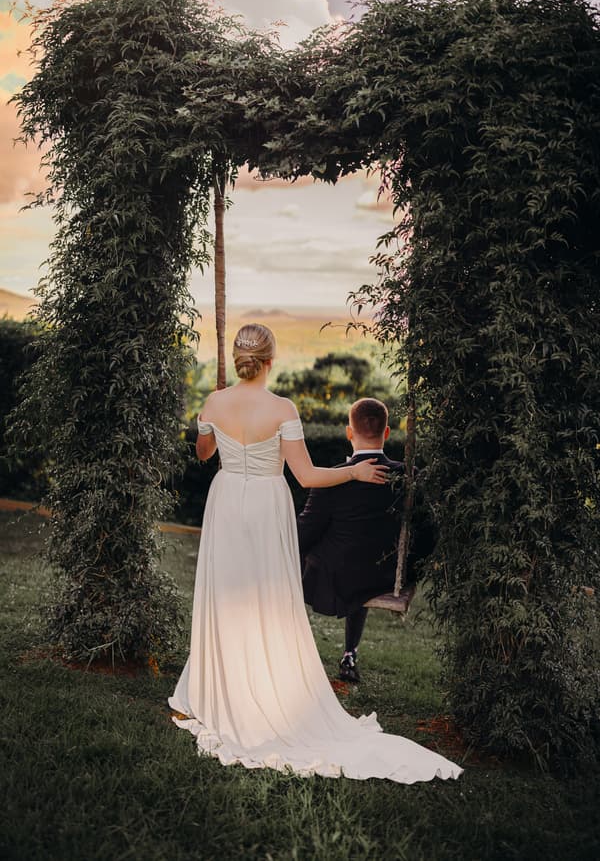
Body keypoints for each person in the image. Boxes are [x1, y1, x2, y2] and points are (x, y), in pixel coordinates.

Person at [168, 323, 463, 783]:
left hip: (225, 501)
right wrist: (354, 475)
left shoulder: (215, 401)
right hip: (266, 503)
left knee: (225, 590)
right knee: (266, 596)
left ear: (239, 358)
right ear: (270, 360)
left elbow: (205, 454)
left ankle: (225, 683)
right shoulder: (282, 408)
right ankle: (264, 686)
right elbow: (305, 477)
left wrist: (208, 424)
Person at [298, 398, 437, 683]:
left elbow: (303, 536)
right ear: (387, 433)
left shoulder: (332, 479)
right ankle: (349, 653)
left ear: (349, 433)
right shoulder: (407, 476)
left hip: (339, 577)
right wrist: (410, 570)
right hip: (383, 576)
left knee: (305, 552)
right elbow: (429, 532)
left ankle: (288, 646)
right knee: (354, 557)